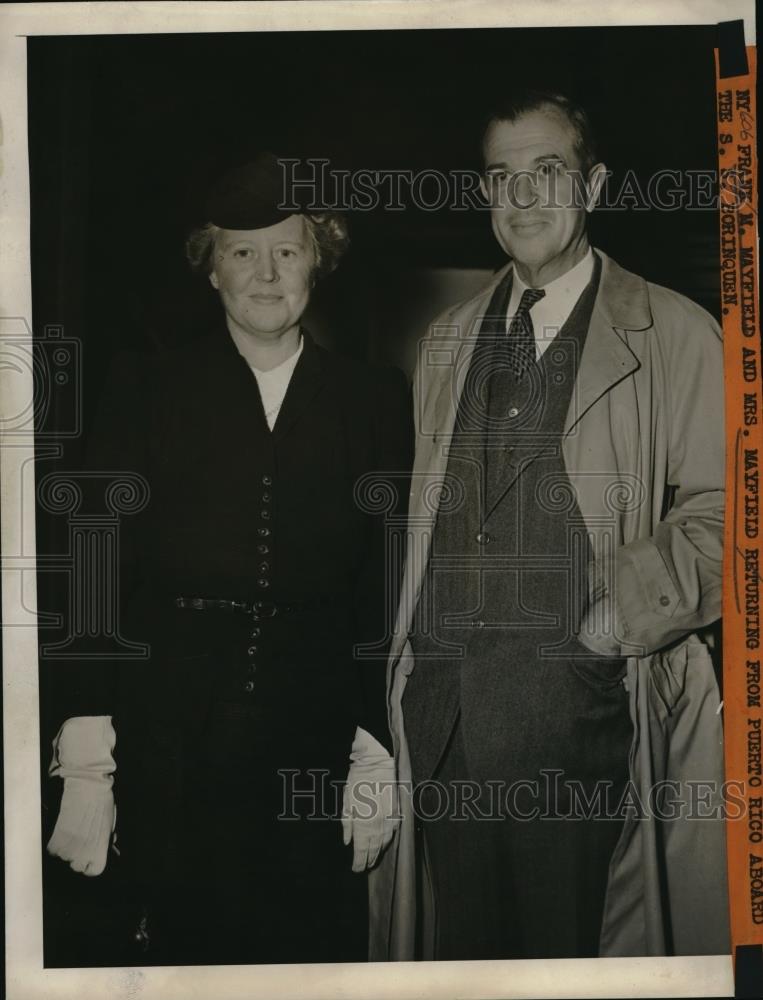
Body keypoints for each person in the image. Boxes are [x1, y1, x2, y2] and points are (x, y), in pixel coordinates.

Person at [370, 91, 729, 960]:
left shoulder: (676, 333)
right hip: (444, 735)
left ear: (594, 185)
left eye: (547, 173)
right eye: (502, 178)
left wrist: (611, 627)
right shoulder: (447, 340)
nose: (523, 198)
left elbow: (730, 516)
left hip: (586, 740)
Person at [44, 153, 413, 966]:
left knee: (310, 959)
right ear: (210, 269)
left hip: (314, 737)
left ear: (321, 258)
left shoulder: (375, 399)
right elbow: (94, 568)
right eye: (242, 252)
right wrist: (85, 761)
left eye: (288, 248)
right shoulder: (145, 387)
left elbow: (384, 584)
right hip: (168, 738)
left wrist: (374, 746)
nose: (267, 272)